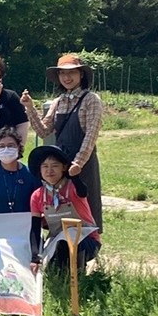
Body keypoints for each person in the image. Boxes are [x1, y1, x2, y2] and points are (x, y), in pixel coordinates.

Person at [21, 53, 104, 232]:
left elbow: (91, 135)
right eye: (62, 74)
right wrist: (29, 108)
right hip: (61, 163)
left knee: (86, 205)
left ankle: (88, 248)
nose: (66, 77)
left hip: (83, 163)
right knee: (61, 206)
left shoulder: (91, 99)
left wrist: (78, 163)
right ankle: (63, 248)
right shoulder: (58, 102)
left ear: (81, 74)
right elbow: (44, 130)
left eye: (71, 73)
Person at [27, 143, 100, 273]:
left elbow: (82, 192)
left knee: (67, 245)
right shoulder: (37, 196)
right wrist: (34, 257)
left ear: (64, 168)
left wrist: (75, 177)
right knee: (53, 260)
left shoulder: (72, 187)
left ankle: (79, 280)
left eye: (55, 166)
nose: (49, 170)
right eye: (45, 166)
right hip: (57, 242)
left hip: (86, 240)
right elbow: (35, 228)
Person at [0, 127, 37, 215]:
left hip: (24, 223)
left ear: (18, 147)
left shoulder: (30, 173)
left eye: (11, 145)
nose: (6, 149)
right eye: (1, 146)